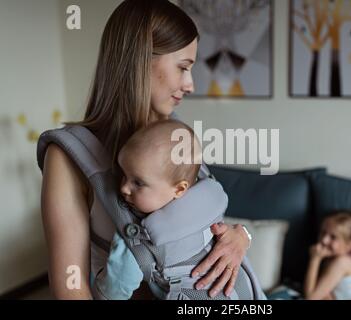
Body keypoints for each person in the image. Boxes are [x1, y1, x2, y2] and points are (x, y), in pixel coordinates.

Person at [40, 0, 251, 300]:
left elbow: (197, 224)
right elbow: (69, 288)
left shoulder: (173, 136)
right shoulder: (68, 156)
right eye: (182, 68)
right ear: (138, 60)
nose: (190, 85)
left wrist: (241, 237)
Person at [93, 119, 263, 300]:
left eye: (138, 182)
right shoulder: (209, 204)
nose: (124, 188)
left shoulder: (137, 241)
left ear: (179, 189)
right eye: (124, 175)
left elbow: (112, 292)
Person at [304, 211, 351, 300]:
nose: (324, 240)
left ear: (350, 245)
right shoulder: (331, 261)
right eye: (323, 232)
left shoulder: (342, 262)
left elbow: (311, 298)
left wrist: (314, 259)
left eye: (333, 237)